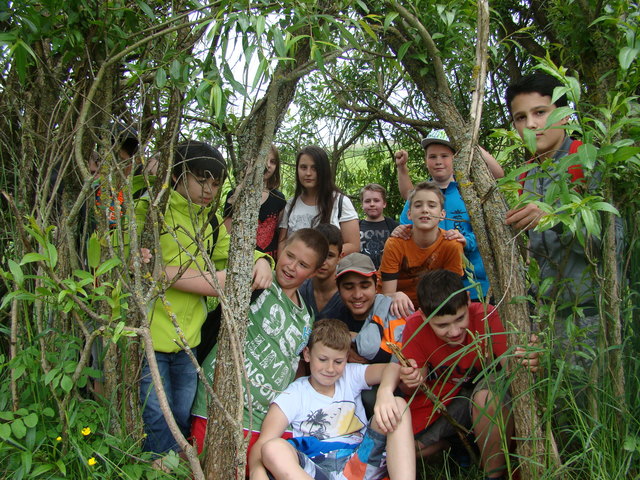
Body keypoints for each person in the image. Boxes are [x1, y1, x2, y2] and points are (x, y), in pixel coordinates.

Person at [134, 140, 274, 455]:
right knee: (156, 412)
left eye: (216, 182)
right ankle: (163, 467)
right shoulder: (151, 209)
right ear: (177, 175)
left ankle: (175, 462)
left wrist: (263, 260)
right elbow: (118, 245)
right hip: (150, 334)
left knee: (182, 409)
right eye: (201, 179)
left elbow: (233, 251)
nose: (209, 189)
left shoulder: (209, 222)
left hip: (188, 338)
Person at [381, 270, 539, 480]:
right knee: (408, 447)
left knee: (486, 399)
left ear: (467, 301)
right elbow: (413, 384)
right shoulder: (415, 327)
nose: (454, 331)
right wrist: (412, 379)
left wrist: (528, 360)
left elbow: (509, 367)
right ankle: (455, 444)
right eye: (442, 325)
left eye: (460, 318)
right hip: (451, 396)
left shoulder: (486, 314)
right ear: (424, 316)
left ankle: (494, 474)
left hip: (487, 392)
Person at [503, 72, 621, 353]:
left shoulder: (589, 161)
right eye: (520, 118)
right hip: (546, 314)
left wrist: (552, 220)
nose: (531, 124)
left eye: (540, 112)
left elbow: (614, 244)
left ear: (566, 115)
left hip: (594, 316)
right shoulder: (527, 175)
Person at [190, 228, 330, 463]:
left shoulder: (307, 317)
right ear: (281, 248)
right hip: (216, 407)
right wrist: (263, 259)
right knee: (205, 466)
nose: (291, 267)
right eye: (290, 256)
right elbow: (226, 259)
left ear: (314, 272)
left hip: (266, 422)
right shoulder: (259, 279)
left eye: (303, 265)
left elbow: (295, 365)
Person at [250, 318, 415, 480]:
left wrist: (384, 393)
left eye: (338, 361)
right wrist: (256, 472)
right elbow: (265, 441)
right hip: (317, 465)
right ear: (307, 354)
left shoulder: (351, 375)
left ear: (347, 358)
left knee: (399, 405)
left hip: (360, 457)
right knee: (272, 448)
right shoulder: (294, 394)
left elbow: (392, 368)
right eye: (322, 360)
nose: (330, 369)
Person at [395, 138, 503, 300]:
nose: (438, 162)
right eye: (432, 157)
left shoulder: (470, 191)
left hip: (475, 287)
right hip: (432, 288)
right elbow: (406, 231)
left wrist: (466, 241)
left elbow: (488, 231)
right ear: (426, 161)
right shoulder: (419, 195)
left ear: (455, 158)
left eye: (444, 156)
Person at [379, 181, 464, 318]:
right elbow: (387, 294)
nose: (425, 210)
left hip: (433, 306)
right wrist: (396, 295)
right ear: (409, 214)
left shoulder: (451, 245)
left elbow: (451, 293)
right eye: (418, 205)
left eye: (432, 205)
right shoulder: (396, 243)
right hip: (396, 306)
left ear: (442, 214)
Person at [278, 145, 359, 256]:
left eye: (314, 168)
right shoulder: (291, 204)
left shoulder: (340, 202)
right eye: (303, 167)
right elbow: (283, 242)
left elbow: (354, 245)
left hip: (329, 271)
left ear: (324, 170)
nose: (308, 173)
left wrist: (319, 256)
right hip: (295, 271)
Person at [336, 253, 405, 365]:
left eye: (365, 286)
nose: (357, 295)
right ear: (338, 289)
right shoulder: (335, 317)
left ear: (376, 285)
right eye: (349, 287)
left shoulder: (394, 311)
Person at [223, 144, 286, 260]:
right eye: (264, 160)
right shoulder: (235, 195)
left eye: (273, 162)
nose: (268, 165)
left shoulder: (280, 199)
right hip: (241, 261)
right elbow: (227, 234)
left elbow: (281, 235)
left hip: (269, 261)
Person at [299, 223, 346, 321]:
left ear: (340, 257)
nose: (323, 262)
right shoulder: (298, 289)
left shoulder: (347, 296)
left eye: (330, 255)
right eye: (319, 253)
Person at [359, 183, 399, 269]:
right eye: (367, 201)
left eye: (376, 200)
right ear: (362, 204)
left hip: (387, 271)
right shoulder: (356, 226)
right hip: (362, 271)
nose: (372, 204)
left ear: (384, 203)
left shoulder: (394, 226)